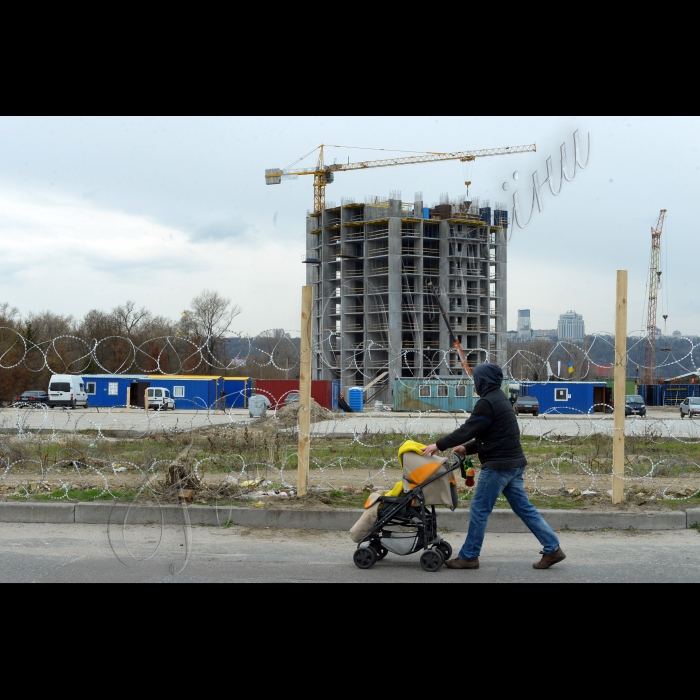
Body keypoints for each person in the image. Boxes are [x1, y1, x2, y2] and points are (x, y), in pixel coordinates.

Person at [422, 363, 565, 571]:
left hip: (498, 467)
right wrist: (467, 448)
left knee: (479, 510)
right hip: (513, 463)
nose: (474, 384)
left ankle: (469, 556)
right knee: (525, 509)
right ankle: (552, 548)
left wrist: (438, 445)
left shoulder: (487, 403)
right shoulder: (500, 399)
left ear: (483, 380)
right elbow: (495, 436)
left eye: (476, 380)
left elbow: (468, 429)